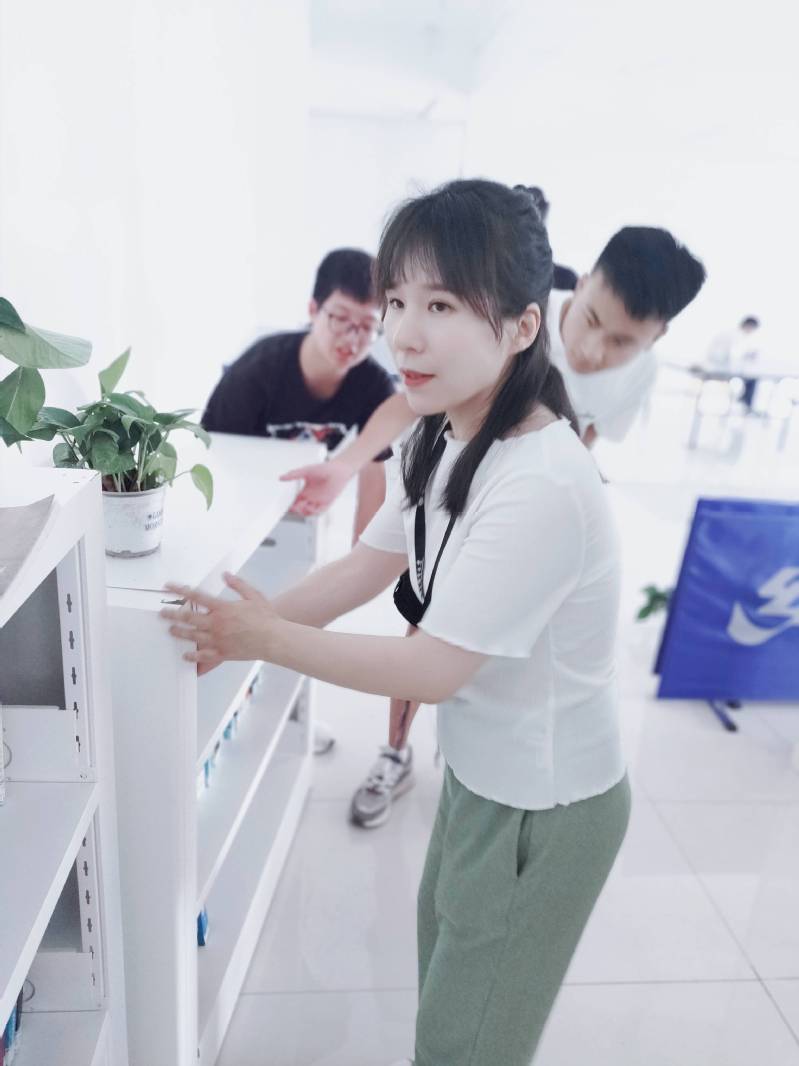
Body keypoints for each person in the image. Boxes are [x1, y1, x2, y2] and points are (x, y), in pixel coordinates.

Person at [162, 178, 631, 1066]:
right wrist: (236, 628)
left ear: (522, 327)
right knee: (445, 996)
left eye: (441, 305)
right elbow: (365, 567)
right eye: (398, 302)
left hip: (544, 804)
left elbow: (431, 670)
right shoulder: (438, 432)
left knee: (464, 1043)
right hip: (482, 776)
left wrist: (262, 639)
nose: (402, 334)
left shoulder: (540, 482)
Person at [290, 217, 706, 826]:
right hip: (461, 482)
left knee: (472, 658)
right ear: (580, 285)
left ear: (657, 337)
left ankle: (461, 754)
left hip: (520, 504)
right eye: (592, 321)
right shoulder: (515, 313)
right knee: (421, 626)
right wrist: (347, 465)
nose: (594, 352)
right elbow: (413, 398)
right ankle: (396, 752)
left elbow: (583, 441)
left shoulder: (621, 395)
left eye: (623, 343)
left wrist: (542, 505)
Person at [201, 248, 396, 540]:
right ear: (313, 310)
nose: (352, 339)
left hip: (303, 500)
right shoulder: (256, 371)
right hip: (240, 498)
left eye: (367, 327)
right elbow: (214, 455)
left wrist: (359, 559)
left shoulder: (374, 384)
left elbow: (373, 475)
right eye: (340, 319)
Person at [706, 315, 762, 410]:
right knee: (750, 380)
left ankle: (744, 403)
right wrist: (747, 356)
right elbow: (732, 356)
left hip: (721, 366)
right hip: (719, 368)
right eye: (753, 329)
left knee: (749, 380)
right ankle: (744, 405)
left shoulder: (734, 334)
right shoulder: (735, 336)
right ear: (748, 325)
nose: (752, 332)